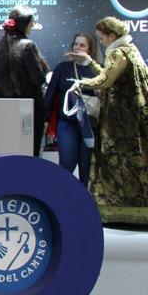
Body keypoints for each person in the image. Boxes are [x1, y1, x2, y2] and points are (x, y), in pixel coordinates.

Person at [72, 16, 148, 224]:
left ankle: (121, 208)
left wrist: (81, 83)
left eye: (102, 38)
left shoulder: (118, 53)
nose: (101, 42)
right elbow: (108, 74)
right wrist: (90, 63)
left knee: (123, 161)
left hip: (124, 119)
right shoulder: (130, 50)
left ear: (112, 35)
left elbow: (106, 80)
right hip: (137, 115)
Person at [0, 5, 49, 155]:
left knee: (6, 150)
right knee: (30, 152)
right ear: (24, 24)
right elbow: (38, 79)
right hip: (30, 109)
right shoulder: (28, 46)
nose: (33, 25)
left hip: (3, 106)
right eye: (31, 22)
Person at [42, 32, 100, 186]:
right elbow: (50, 96)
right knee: (66, 164)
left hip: (90, 125)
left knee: (87, 166)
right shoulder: (63, 68)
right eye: (76, 44)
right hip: (67, 123)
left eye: (82, 45)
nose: (77, 47)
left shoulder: (97, 70)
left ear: (90, 49)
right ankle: (64, 200)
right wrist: (45, 121)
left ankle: (87, 204)